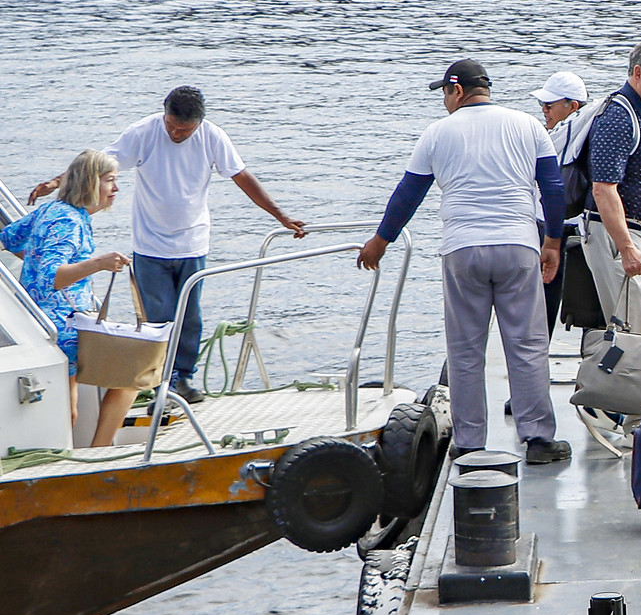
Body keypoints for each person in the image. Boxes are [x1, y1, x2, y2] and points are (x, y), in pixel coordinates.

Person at [29, 86, 305, 405]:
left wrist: (281, 215)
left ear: (199, 123)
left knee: (190, 316)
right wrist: (54, 182)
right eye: (171, 125)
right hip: (150, 244)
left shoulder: (213, 137)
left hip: (193, 242)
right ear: (164, 112)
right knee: (158, 316)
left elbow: (242, 177)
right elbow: (95, 166)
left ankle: (183, 377)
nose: (175, 133)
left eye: (184, 129)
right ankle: (160, 379)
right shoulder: (144, 132)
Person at [359, 59, 571, 466]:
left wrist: (380, 241)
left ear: (457, 90)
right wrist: (553, 243)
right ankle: (539, 439)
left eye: (444, 92)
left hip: (462, 249)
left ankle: (471, 443)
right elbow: (553, 188)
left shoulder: (437, 133)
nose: (444, 100)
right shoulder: (528, 126)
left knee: (466, 349)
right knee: (527, 345)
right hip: (518, 244)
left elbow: (408, 194)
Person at [3, 150, 138, 447]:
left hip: (37, 321)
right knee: (134, 373)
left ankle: (74, 449)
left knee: (70, 409)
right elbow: (52, 278)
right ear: (91, 183)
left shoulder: (51, 210)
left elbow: (8, 239)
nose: (116, 188)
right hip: (65, 325)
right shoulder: (70, 222)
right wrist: (99, 263)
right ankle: (99, 451)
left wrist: (33, 258)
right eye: (110, 181)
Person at [583, 42, 641, 336]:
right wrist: (626, 249)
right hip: (626, 238)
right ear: (638, 72)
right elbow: (603, 190)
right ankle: (635, 382)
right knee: (636, 335)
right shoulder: (619, 116)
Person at [531, 69, 591, 335]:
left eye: (549, 104)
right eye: (542, 104)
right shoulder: (556, 133)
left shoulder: (571, 133)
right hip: (547, 224)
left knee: (547, 299)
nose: (544, 110)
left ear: (573, 106)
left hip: (560, 229)